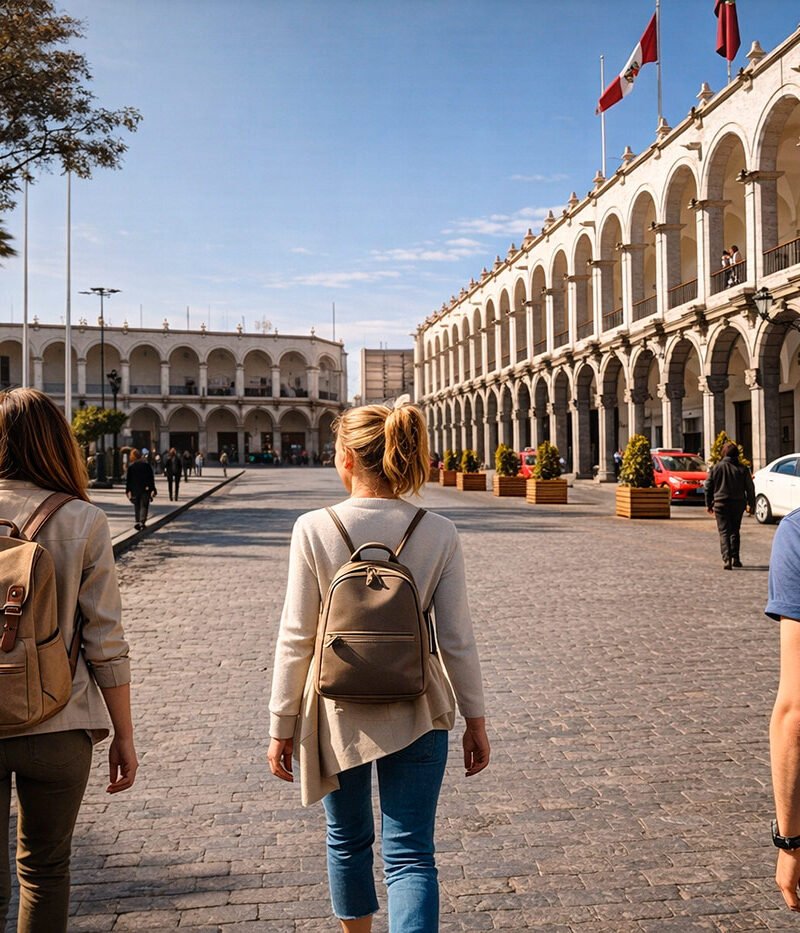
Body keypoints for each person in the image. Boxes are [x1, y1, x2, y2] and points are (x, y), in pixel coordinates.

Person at [267, 401, 490, 933]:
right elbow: (457, 639)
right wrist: (476, 720)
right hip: (418, 706)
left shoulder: (314, 528)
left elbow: (297, 637)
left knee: (346, 839)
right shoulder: (437, 531)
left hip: (336, 709)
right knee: (411, 852)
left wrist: (281, 725)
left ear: (345, 457)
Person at [0, 388, 137, 932]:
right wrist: (123, 734)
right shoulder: (82, 518)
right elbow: (106, 640)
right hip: (60, 720)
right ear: (59, 442)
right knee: (45, 871)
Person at [704, 441, 755, 569]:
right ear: (737, 454)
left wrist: (708, 503)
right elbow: (750, 488)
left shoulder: (716, 467)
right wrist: (751, 504)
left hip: (721, 503)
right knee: (735, 530)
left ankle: (727, 559)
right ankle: (736, 558)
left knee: (724, 531)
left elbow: (708, 487)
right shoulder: (743, 469)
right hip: (738, 503)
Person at [125, 447, 156, 530]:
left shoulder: (131, 467)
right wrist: (153, 489)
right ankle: (142, 521)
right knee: (144, 506)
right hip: (145, 489)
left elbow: (128, 480)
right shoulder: (146, 466)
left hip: (135, 490)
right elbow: (151, 478)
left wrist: (127, 490)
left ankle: (138, 521)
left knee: (137, 506)